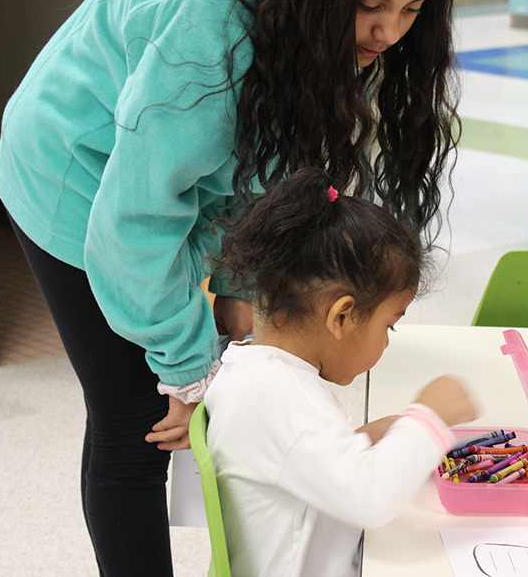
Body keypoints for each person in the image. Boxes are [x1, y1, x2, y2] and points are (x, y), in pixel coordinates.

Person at [0, 0, 459, 575]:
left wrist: (240, 288)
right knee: (137, 421)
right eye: (371, 4)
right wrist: (188, 373)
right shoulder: (210, 32)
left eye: (412, 9)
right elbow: (135, 222)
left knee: (203, 359)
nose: (389, 31)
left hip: (149, 173)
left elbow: (263, 167)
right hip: (68, 172)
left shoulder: (320, 18)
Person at [205, 167, 479, 577]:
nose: (387, 342)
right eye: (389, 325)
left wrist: (364, 439)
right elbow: (370, 498)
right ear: (342, 316)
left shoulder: (255, 370)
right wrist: (428, 418)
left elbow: (293, 456)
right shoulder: (276, 394)